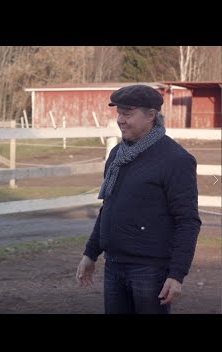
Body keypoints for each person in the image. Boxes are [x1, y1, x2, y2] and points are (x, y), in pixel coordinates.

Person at [76, 84, 201, 314]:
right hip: (114, 265)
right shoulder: (118, 154)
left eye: (128, 114)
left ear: (151, 116)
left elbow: (188, 221)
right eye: (119, 114)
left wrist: (177, 274)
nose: (121, 120)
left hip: (150, 270)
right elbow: (109, 207)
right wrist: (91, 253)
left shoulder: (176, 160)